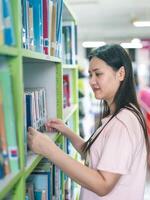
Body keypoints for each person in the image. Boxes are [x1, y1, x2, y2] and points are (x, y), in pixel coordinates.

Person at [28, 44, 149, 200]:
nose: (92, 81)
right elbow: (94, 156)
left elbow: (102, 185)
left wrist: (50, 150)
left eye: (98, 74)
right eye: (90, 74)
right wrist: (67, 131)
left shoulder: (122, 123)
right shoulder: (119, 115)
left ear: (121, 73)